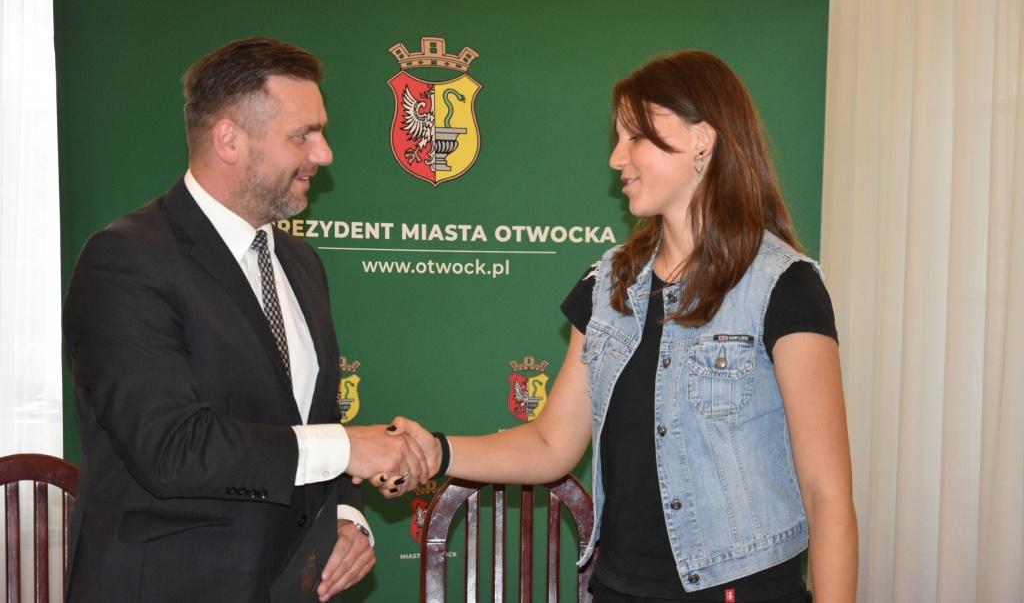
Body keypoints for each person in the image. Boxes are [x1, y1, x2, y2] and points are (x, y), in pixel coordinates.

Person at [386, 51, 858, 602]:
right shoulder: (609, 283)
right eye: (618, 138)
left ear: (702, 139)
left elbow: (827, 495)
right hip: (616, 589)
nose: (616, 158)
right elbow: (551, 443)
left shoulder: (784, 285)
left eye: (635, 136)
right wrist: (436, 452)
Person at [62, 37, 430, 603]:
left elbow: (312, 421)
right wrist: (344, 447)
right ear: (229, 140)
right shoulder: (126, 259)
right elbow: (170, 449)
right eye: (303, 135)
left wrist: (347, 518)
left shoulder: (300, 262)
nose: (325, 153)